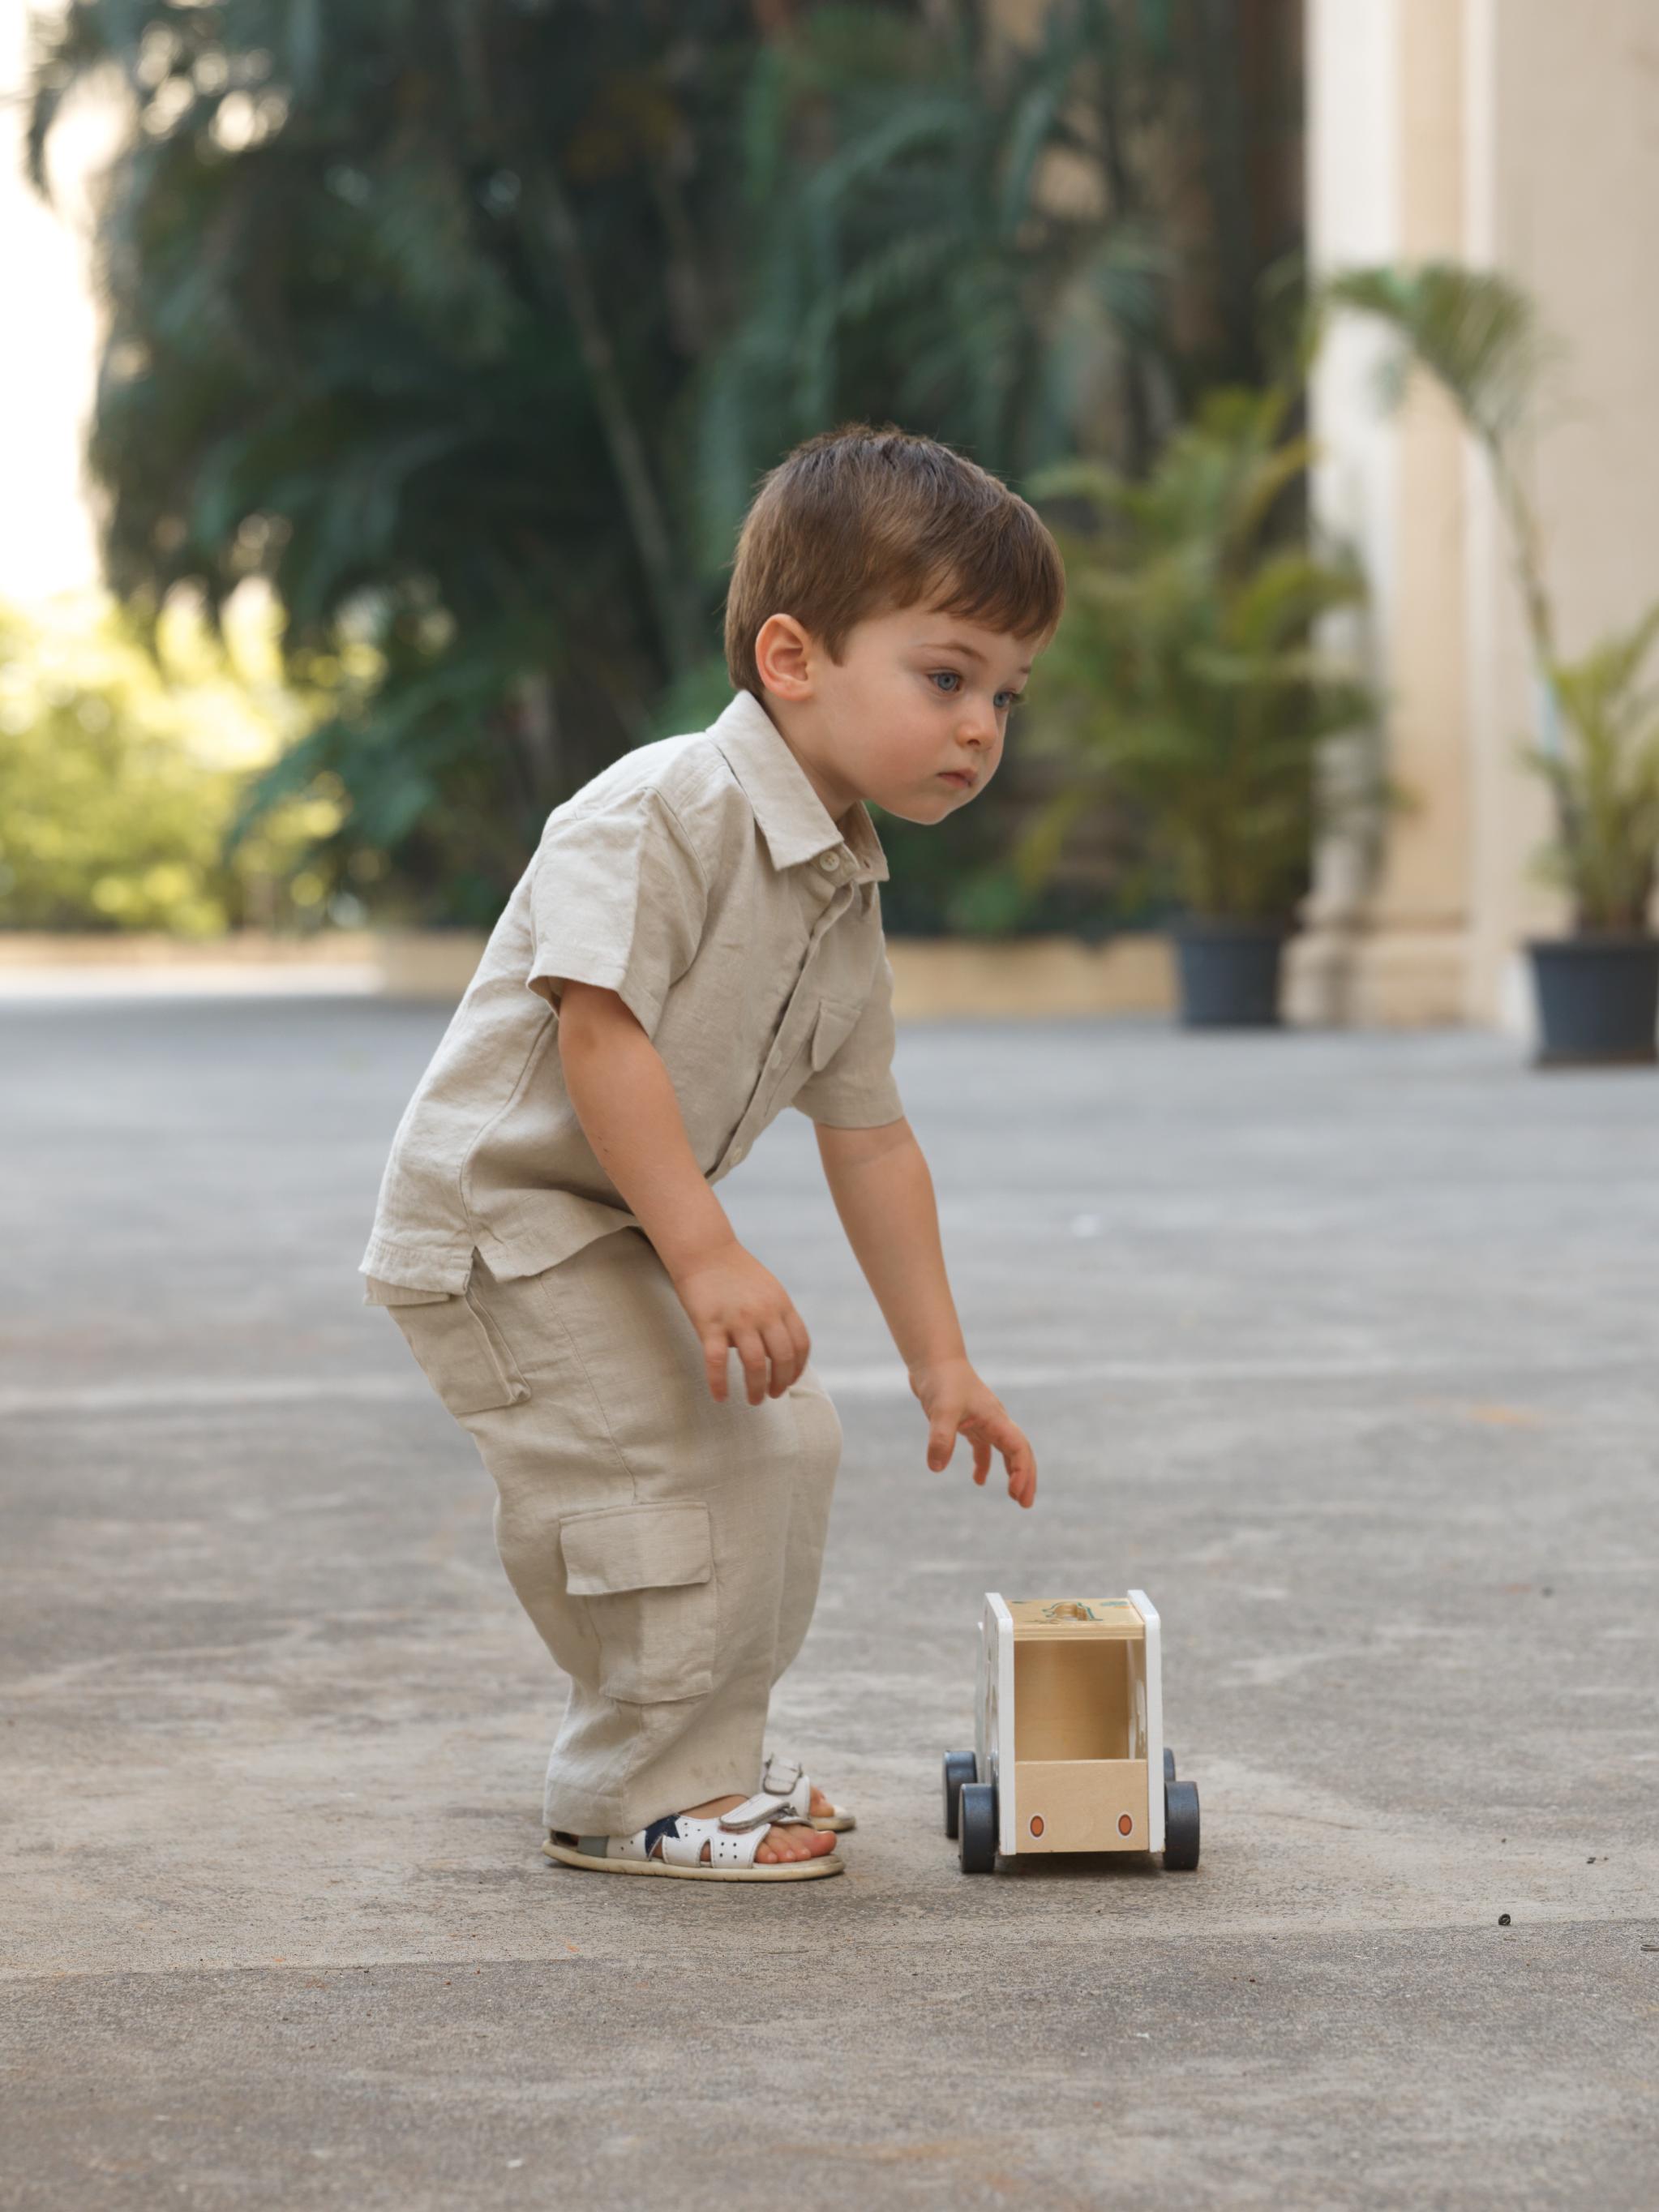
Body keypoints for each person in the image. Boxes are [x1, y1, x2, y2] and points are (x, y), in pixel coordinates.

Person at [360, 422, 1065, 1883]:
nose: (983, 726)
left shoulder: (841, 888)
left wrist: (942, 1362)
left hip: (599, 1222)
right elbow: (597, 1040)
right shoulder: (655, 810)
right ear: (795, 658)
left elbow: (870, 1138)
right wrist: (704, 1252)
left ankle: (709, 1766)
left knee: (784, 1439)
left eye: (1006, 693)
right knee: (665, 1478)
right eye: (946, 677)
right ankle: (629, 1791)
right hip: (498, 1231)